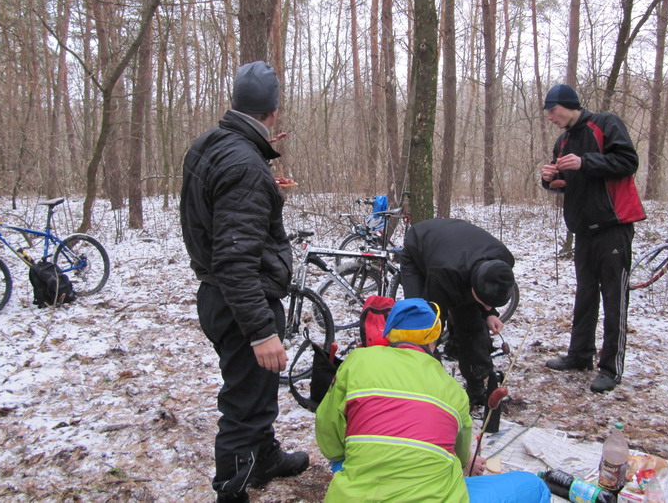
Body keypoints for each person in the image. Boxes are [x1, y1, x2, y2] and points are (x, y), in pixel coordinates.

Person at [180, 61, 308, 502]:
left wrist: (263, 185)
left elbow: (218, 218)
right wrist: (261, 331)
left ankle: (265, 457)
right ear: (272, 111)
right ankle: (230, 489)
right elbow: (235, 259)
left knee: (256, 390)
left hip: (221, 295)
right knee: (244, 403)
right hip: (240, 302)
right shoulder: (244, 165)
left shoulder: (211, 144)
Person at [315, 298, 549, 503]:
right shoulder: (452, 390)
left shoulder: (358, 361)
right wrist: (467, 460)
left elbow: (328, 434)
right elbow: (460, 455)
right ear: (432, 341)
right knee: (533, 486)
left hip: (353, 496)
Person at [540, 84, 645, 394]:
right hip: (583, 230)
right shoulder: (563, 141)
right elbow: (564, 183)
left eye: (553, 110)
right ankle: (580, 355)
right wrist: (549, 180)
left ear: (569, 105)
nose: (550, 117)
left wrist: (585, 162)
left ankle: (611, 368)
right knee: (585, 295)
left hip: (613, 225)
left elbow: (628, 162)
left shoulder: (605, 124)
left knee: (614, 298)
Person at [399, 218, 516, 406]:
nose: (488, 306)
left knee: (472, 322)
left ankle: (476, 386)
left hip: (459, 250)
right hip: (420, 245)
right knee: (420, 319)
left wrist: (490, 313)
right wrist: (430, 338)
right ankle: (429, 387)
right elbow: (434, 314)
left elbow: (491, 285)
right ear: (473, 288)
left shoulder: (504, 259)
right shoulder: (443, 273)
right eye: (486, 303)